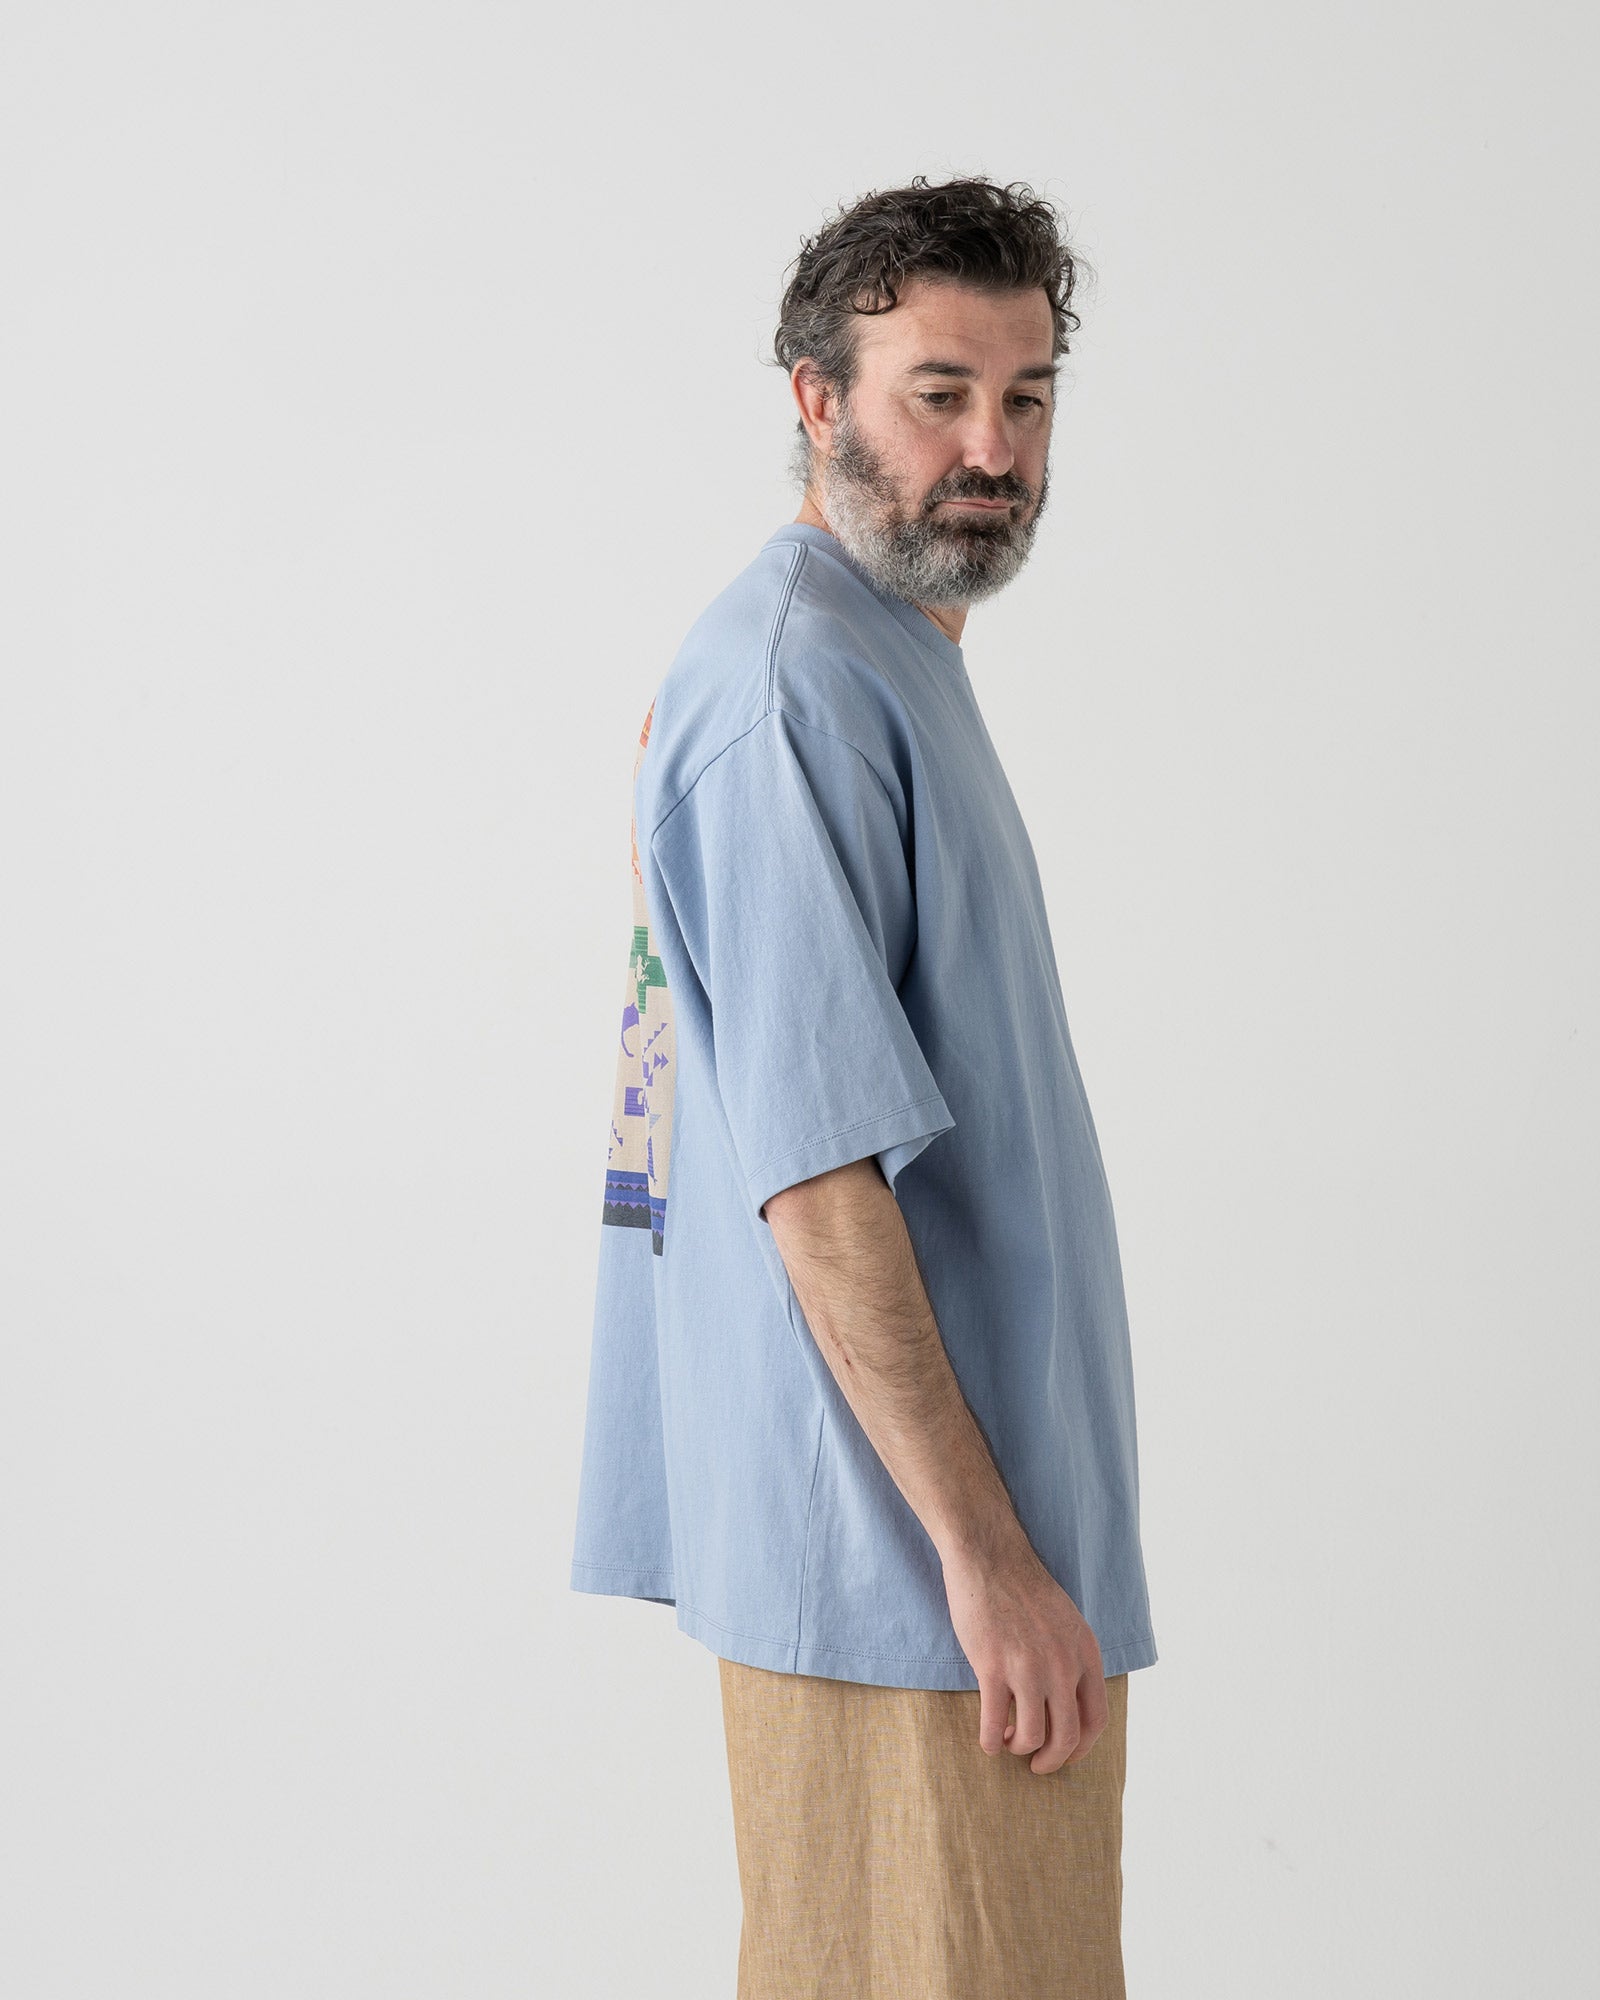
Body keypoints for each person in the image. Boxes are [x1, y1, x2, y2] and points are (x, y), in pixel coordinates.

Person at [570, 174, 1158, 1998]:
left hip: (953, 1560)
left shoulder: (883, 654)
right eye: (939, 394)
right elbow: (814, 1183)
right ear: (817, 399)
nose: (994, 449)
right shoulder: (790, 693)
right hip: (908, 1575)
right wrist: (984, 1561)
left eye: (1028, 396)